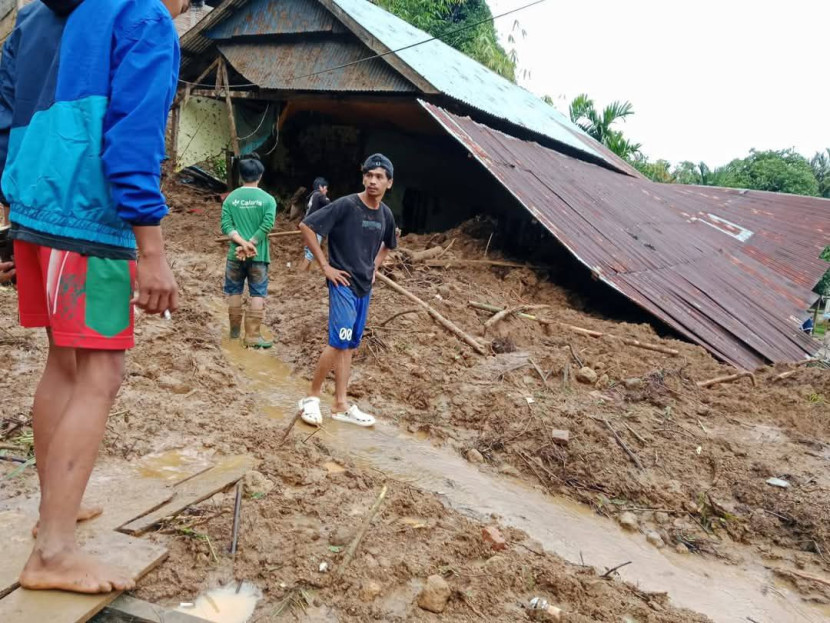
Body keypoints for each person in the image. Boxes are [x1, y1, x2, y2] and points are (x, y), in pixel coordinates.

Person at [0, 0, 187, 595]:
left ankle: (54, 507)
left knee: (65, 361)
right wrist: (152, 252)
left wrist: (9, 216)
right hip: (90, 222)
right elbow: (135, 137)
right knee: (102, 373)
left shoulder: (30, 19)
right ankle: (54, 551)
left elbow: (5, 118)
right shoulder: (142, 17)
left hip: (34, 211)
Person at [298, 154, 397, 427]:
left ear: (389, 183)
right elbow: (306, 226)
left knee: (349, 346)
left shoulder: (386, 214)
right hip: (342, 283)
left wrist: (375, 266)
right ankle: (311, 397)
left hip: (364, 287)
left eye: (379, 177)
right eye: (369, 175)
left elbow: (389, 243)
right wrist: (324, 266)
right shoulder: (346, 205)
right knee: (338, 341)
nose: (373, 181)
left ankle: (340, 404)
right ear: (363, 177)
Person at [220, 154, 277, 348]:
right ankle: (252, 336)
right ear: (260, 175)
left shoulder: (230, 199)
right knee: (257, 294)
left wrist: (241, 243)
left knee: (234, 291)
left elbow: (226, 225)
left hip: (234, 255)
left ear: (240, 176)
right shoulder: (268, 200)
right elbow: (267, 225)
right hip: (258, 255)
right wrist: (251, 243)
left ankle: (234, 333)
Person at [301, 177, 330, 271]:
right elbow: (331, 206)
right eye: (325, 188)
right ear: (321, 187)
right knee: (311, 251)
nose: (326, 190)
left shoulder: (311, 196)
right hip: (314, 227)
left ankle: (308, 272)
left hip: (307, 226)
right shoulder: (319, 195)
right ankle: (300, 274)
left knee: (310, 250)